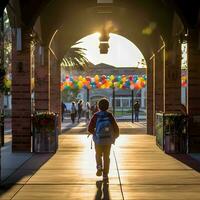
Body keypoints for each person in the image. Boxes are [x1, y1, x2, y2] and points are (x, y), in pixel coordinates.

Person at [88, 98, 119, 181]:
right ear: (108, 106)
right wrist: (115, 136)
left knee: (98, 154)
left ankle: (99, 166)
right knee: (106, 157)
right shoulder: (110, 115)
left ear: (98, 106)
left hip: (98, 140)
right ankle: (105, 174)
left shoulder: (95, 116)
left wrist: (95, 133)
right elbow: (116, 127)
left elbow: (90, 129)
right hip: (108, 140)